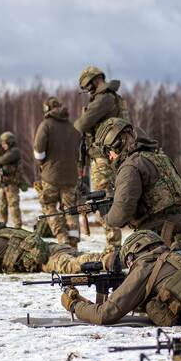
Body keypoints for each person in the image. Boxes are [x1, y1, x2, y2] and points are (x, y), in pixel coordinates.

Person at [94, 118, 181, 255]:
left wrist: (106, 217)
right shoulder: (159, 157)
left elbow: (121, 214)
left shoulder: (130, 166)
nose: (109, 157)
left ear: (117, 144)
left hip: (160, 241)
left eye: (107, 151)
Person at [0, 213, 105, 274]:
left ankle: (111, 260)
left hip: (46, 260)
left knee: (75, 266)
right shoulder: (4, 231)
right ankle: (112, 257)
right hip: (51, 246)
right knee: (83, 257)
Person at [73, 65, 128, 251]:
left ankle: (114, 247)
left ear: (96, 81)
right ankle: (115, 245)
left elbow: (82, 124)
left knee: (104, 202)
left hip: (104, 159)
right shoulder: (111, 97)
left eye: (89, 87)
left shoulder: (104, 98)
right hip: (109, 157)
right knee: (108, 200)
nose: (88, 91)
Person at [33, 96, 81, 248]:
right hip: (71, 177)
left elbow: (38, 151)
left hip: (50, 176)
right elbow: (78, 153)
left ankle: (62, 238)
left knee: (49, 206)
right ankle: (74, 242)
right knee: (71, 209)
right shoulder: (73, 128)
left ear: (47, 108)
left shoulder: (46, 125)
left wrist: (42, 163)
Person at [0, 132, 23, 229]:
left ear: (10, 142)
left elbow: (3, 160)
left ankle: (17, 226)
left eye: (4, 143)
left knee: (13, 206)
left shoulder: (15, 152)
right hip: (4, 184)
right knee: (2, 206)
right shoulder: (7, 153)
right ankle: (2, 224)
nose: (2, 146)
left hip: (12, 184)